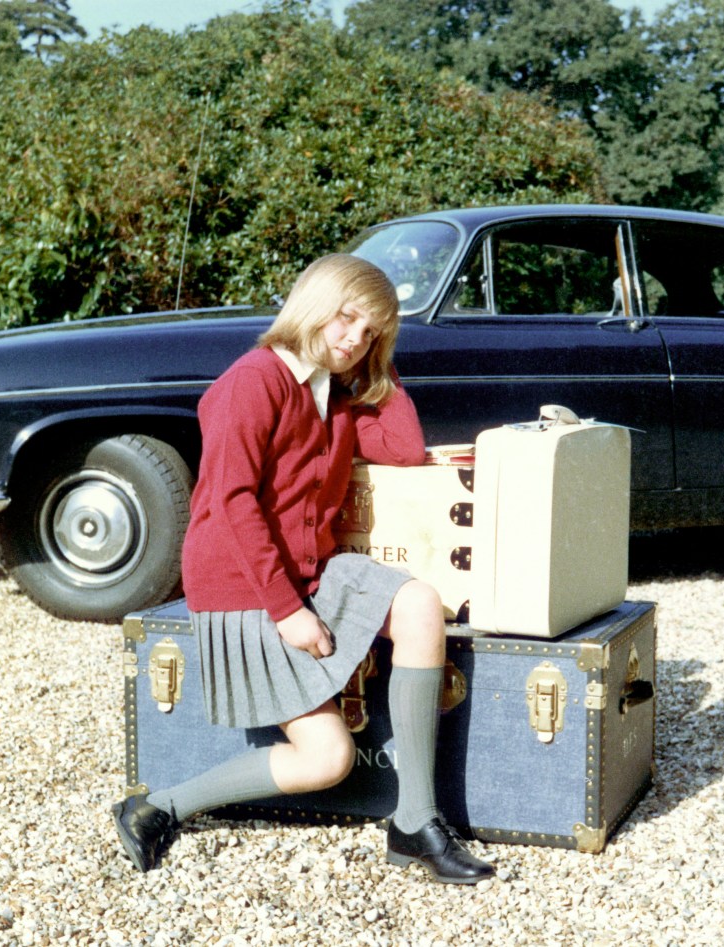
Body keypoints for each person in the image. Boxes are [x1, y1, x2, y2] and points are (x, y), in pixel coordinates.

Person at [112, 254, 494, 885]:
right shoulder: (251, 382)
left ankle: (415, 822)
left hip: (313, 572)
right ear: (313, 305)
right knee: (327, 759)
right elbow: (231, 501)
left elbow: (401, 449)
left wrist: (377, 366)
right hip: (245, 590)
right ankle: (159, 807)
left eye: (370, 332)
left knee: (421, 604)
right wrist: (287, 612)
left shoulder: (334, 395)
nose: (353, 338)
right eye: (346, 319)